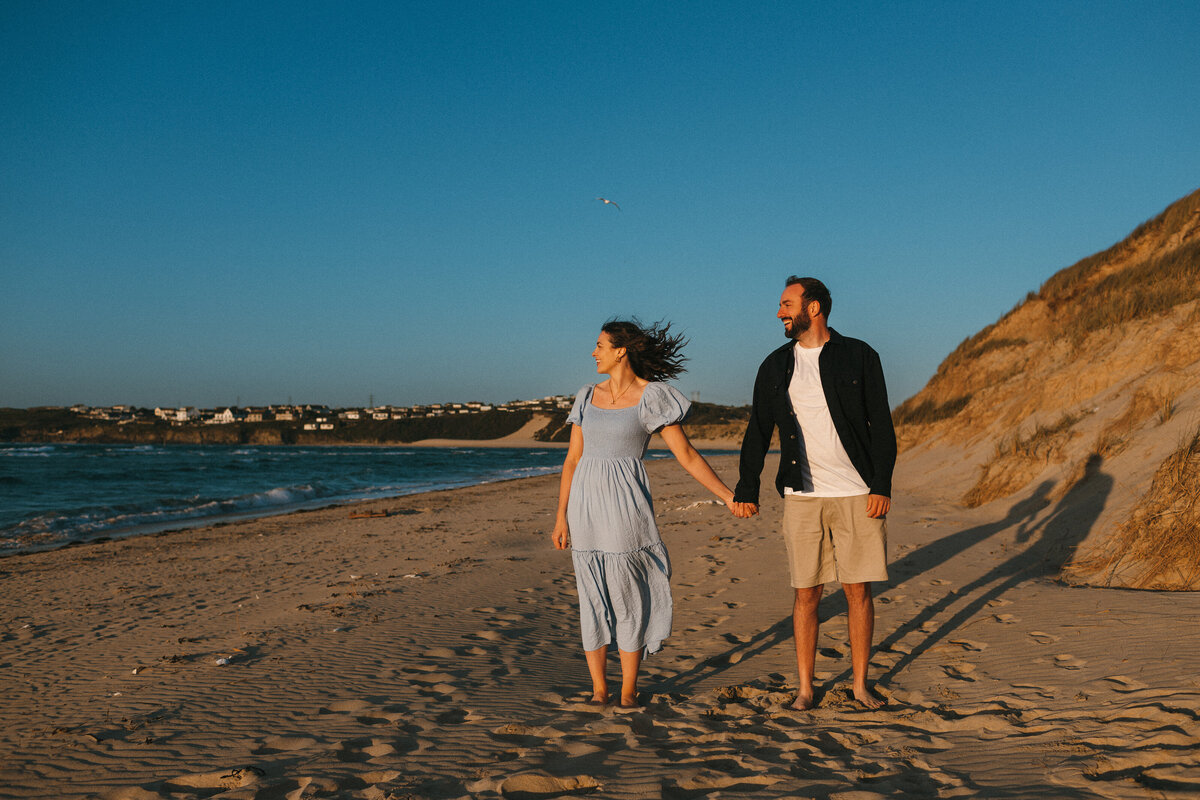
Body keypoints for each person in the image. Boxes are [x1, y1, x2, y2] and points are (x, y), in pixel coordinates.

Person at [553, 319, 739, 708]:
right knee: (592, 596)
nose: (593, 353)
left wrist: (727, 495)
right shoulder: (586, 395)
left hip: (625, 508)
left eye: (600, 345)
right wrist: (560, 517)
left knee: (626, 595)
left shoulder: (652, 396)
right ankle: (600, 689)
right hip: (585, 508)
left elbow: (685, 454)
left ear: (620, 350)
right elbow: (572, 460)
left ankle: (627, 690)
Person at [732, 276, 896, 710]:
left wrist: (881, 484)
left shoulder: (859, 356)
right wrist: (747, 486)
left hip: (856, 491)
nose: (781, 312)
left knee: (857, 590)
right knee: (807, 592)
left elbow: (881, 425)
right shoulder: (774, 365)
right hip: (802, 496)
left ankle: (860, 684)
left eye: (787, 304)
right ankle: (806, 688)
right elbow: (757, 432)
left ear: (815, 307)